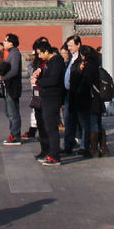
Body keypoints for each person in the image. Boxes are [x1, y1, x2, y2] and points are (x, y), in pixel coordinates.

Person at [30, 37, 66, 166]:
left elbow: (53, 81)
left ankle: (54, 155)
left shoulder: (56, 61)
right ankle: (51, 153)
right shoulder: (50, 62)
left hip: (52, 97)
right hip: (47, 97)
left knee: (51, 128)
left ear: (46, 51)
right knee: (48, 126)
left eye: (40, 53)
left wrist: (38, 81)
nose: (39, 56)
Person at [77, 45, 107, 157]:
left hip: (91, 99)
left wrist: (81, 73)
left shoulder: (89, 66)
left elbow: (86, 82)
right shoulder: (97, 64)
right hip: (97, 98)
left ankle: (94, 150)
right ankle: (104, 148)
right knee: (98, 123)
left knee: (93, 124)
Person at [61, 35, 86, 155]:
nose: (69, 48)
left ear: (78, 44)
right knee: (69, 120)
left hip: (79, 94)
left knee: (82, 121)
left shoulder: (83, 57)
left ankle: (84, 145)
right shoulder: (72, 57)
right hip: (69, 94)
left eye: (71, 45)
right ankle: (68, 145)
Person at [0, 34, 23, 145]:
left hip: (13, 87)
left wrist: (2, 77)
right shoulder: (11, 53)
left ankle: (15, 136)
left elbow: (14, 71)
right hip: (9, 86)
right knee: (8, 111)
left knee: (13, 113)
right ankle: (14, 133)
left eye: (6, 40)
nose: (4, 42)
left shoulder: (15, 54)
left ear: (11, 43)